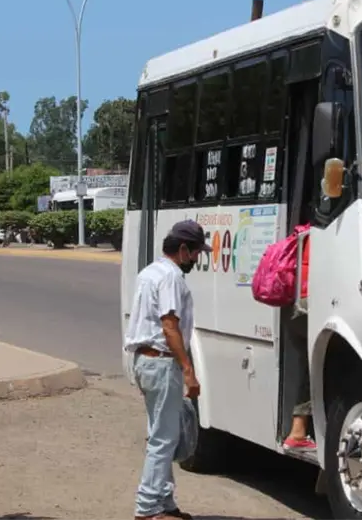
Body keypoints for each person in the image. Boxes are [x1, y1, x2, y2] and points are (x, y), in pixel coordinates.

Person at [124, 220, 209, 520]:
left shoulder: (150, 271)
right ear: (183, 250)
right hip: (161, 363)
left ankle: (164, 502)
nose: (197, 259)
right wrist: (188, 369)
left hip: (145, 362)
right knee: (163, 439)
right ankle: (147, 510)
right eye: (197, 252)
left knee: (162, 434)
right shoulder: (172, 276)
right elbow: (169, 325)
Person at [284, 233, 316, 450]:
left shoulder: (305, 234)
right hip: (307, 308)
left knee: (309, 368)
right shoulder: (324, 233)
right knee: (312, 370)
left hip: (296, 307)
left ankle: (299, 430)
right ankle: (298, 432)